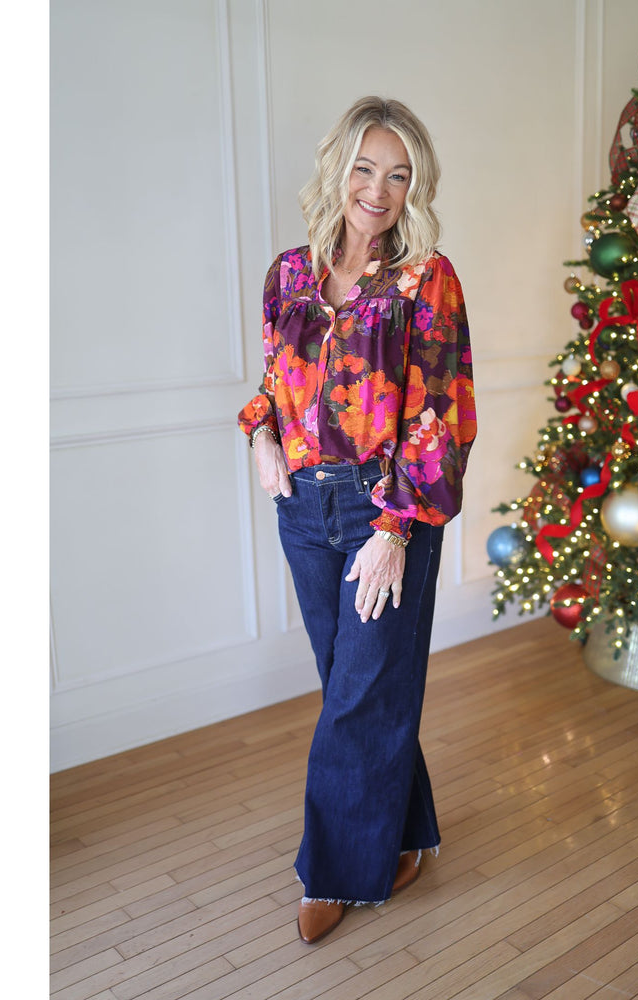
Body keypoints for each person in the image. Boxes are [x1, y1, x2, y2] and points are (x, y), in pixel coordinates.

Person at [238, 96, 477, 944]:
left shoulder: (426, 278)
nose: (380, 189)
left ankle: (336, 871)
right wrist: (260, 435)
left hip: (386, 512)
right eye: (367, 168)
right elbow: (274, 385)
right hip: (302, 507)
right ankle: (409, 832)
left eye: (401, 175)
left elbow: (442, 412)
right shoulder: (287, 276)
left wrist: (395, 529)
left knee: (356, 698)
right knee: (356, 684)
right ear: (339, 169)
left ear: (416, 189)